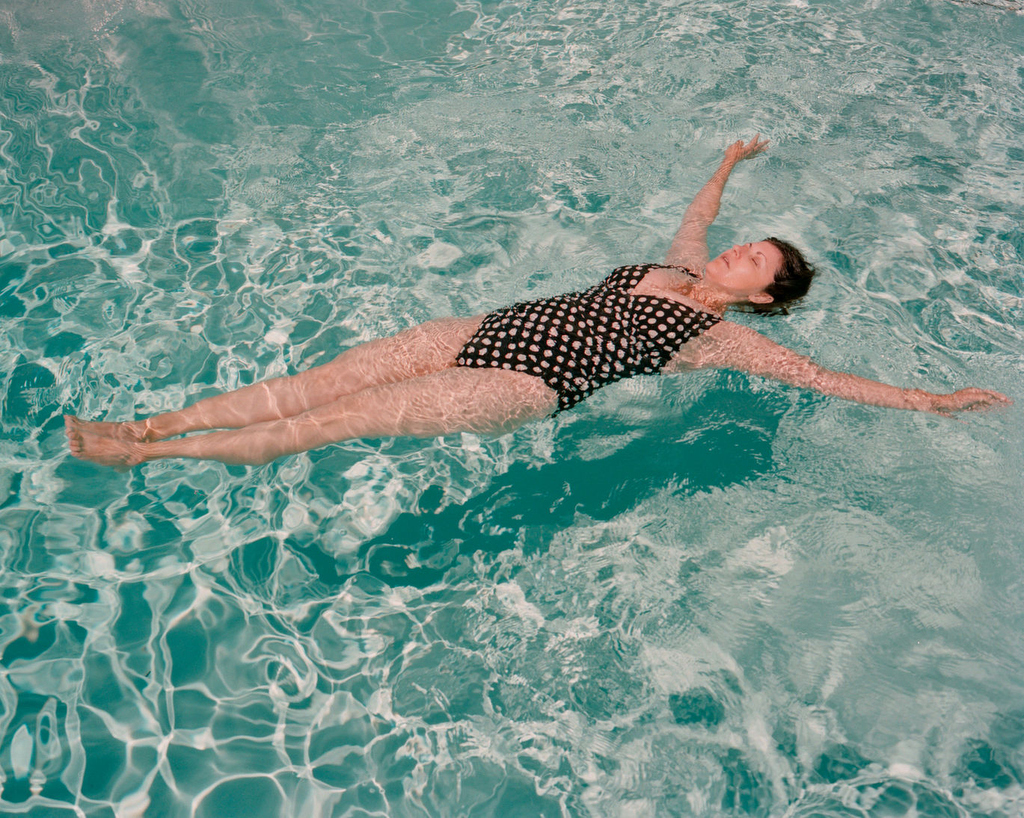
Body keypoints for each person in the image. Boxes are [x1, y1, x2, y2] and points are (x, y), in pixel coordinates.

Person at [65, 136, 1010, 469]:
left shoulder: (723, 339)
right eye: (746, 244)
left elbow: (828, 379)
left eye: (752, 260)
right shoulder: (682, 268)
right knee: (323, 379)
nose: (734, 249)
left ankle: (150, 464)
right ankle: (150, 426)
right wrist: (727, 163)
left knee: (335, 422)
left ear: (760, 300)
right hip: (487, 329)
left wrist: (935, 402)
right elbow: (697, 212)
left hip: (521, 382)